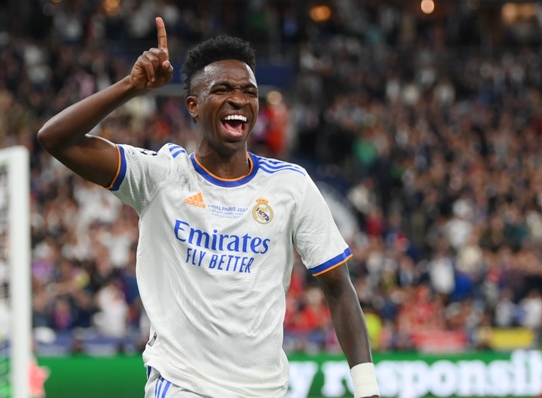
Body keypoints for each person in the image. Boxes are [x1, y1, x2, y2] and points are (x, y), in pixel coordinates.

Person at [38, 17, 380, 398]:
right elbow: (56, 139)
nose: (239, 99)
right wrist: (131, 87)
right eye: (223, 89)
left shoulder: (291, 185)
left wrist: (367, 389)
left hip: (266, 390)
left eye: (249, 91)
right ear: (193, 106)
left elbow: (338, 286)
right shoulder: (160, 176)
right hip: (184, 385)